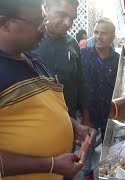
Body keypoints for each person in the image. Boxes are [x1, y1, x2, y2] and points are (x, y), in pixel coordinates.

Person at [0, 0, 96, 180]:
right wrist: (51, 164)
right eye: (36, 22)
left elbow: (49, 107)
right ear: (4, 23)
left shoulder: (33, 59)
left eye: (43, 20)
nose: (42, 28)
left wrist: (75, 125)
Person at [80, 18, 125, 179]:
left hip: (109, 112)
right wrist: (84, 116)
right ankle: (87, 174)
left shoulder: (118, 60)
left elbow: (120, 88)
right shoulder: (83, 55)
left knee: (110, 147)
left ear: (113, 37)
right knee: (87, 150)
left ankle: (110, 172)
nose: (98, 36)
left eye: (104, 33)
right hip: (87, 113)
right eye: (96, 32)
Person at [33, 0, 85, 119]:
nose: (67, 23)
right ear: (45, 8)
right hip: (36, 122)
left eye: (72, 18)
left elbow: (81, 83)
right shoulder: (28, 42)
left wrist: (86, 119)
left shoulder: (73, 44)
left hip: (70, 119)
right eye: (62, 15)